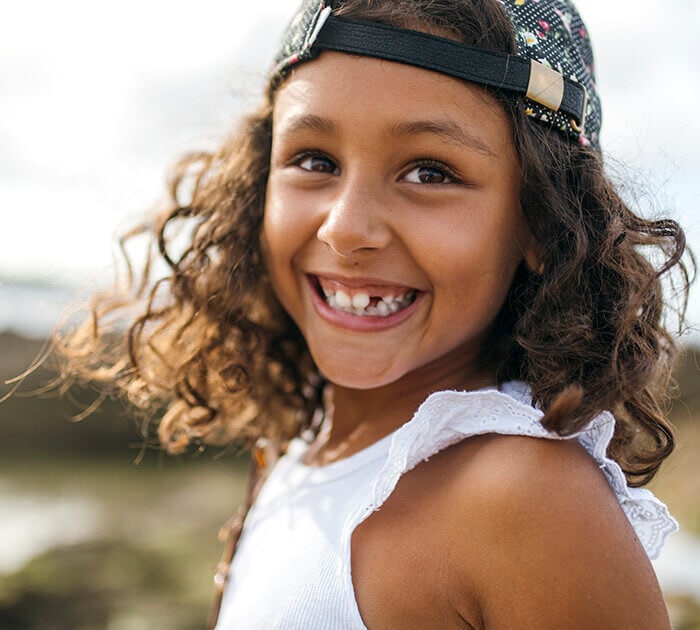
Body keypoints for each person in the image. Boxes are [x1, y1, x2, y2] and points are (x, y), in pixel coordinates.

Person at [50, 0, 691, 627]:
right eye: (314, 161)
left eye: (430, 172)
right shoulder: (298, 448)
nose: (346, 228)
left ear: (543, 224)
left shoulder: (525, 501)